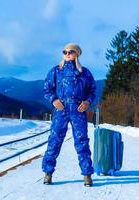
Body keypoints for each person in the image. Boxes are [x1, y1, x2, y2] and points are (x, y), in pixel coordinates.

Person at [42, 43, 96, 187]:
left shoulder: (85, 73)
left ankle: (87, 175)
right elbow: (47, 89)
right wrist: (54, 100)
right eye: (64, 52)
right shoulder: (56, 71)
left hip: (78, 111)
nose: (67, 54)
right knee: (54, 140)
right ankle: (48, 173)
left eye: (70, 52)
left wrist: (87, 102)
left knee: (82, 142)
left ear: (76, 54)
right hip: (61, 110)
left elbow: (92, 91)